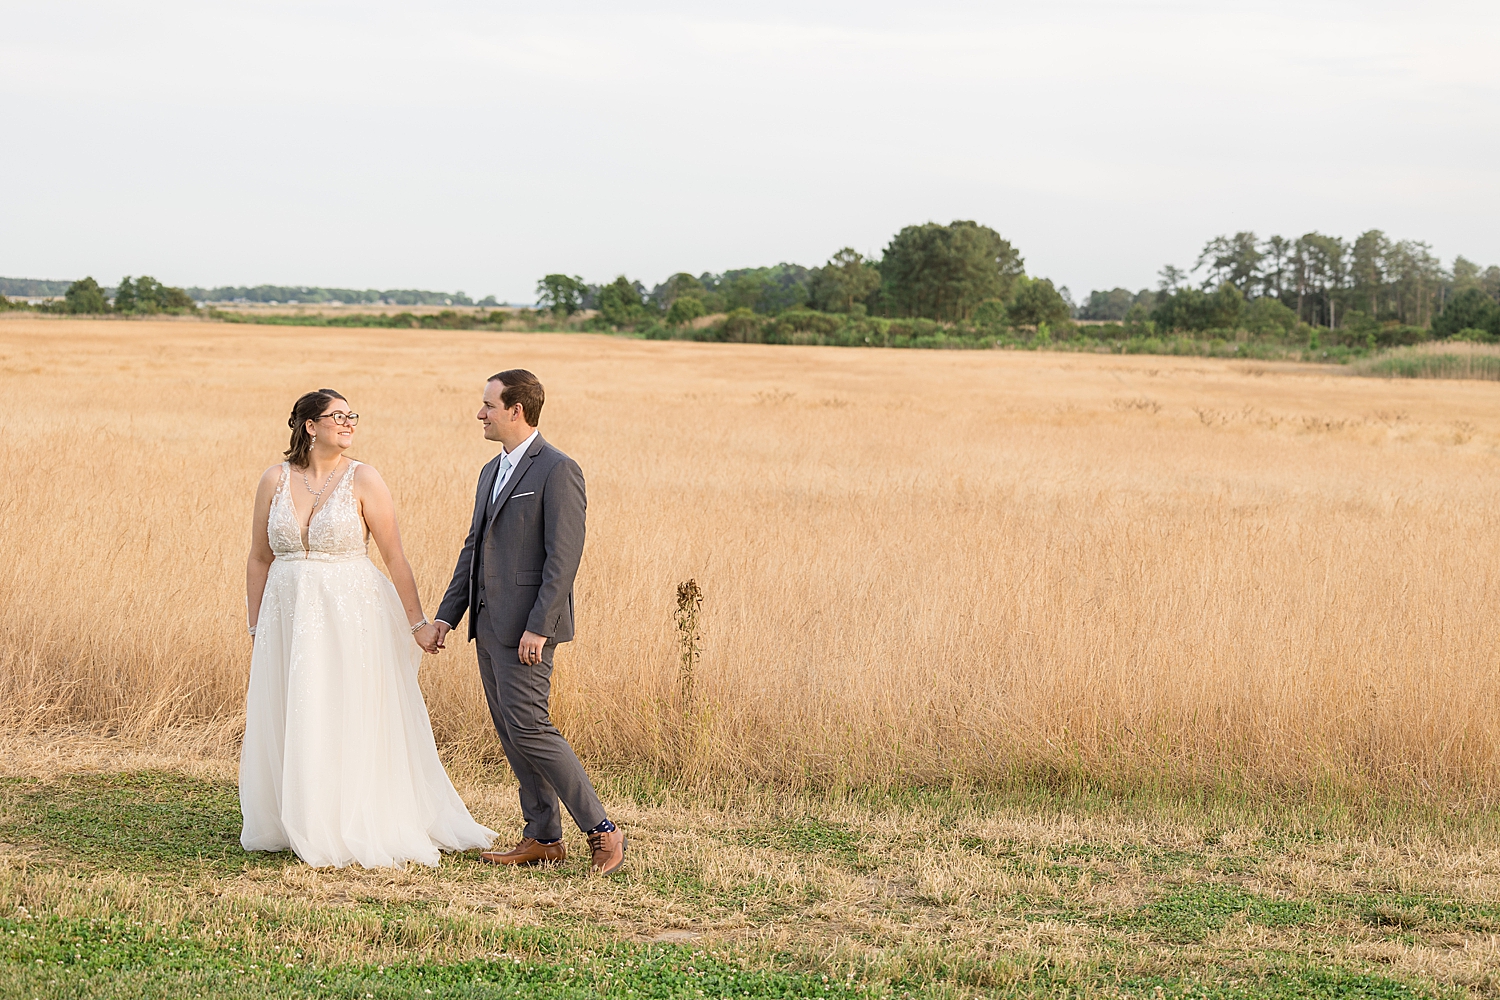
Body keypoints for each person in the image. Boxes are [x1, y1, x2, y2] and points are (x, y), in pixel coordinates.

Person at [240, 388, 496, 868]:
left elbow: (394, 555)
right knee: (294, 708)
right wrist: (256, 627)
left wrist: (419, 622)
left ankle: (348, 818)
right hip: (286, 617)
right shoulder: (273, 479)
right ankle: (295, 814)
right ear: (310, 426)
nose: (349, 423)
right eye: (337, 416)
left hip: (349, 616)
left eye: (352, 415)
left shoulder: (364, 478)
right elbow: (259, 557)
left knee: (343, 709)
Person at [432, 369, 626, 876]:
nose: (480, 413)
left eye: (488, 405)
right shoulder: (489, 471)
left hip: (528, 630)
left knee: (533, 727)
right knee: (512, 732)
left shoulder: (558, 470)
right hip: (488, 626)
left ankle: (602, 830)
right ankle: (542, 836)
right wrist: (446, 618)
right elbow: (473, 550)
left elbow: (563, 558)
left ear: (516, 410)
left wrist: (539, 627)